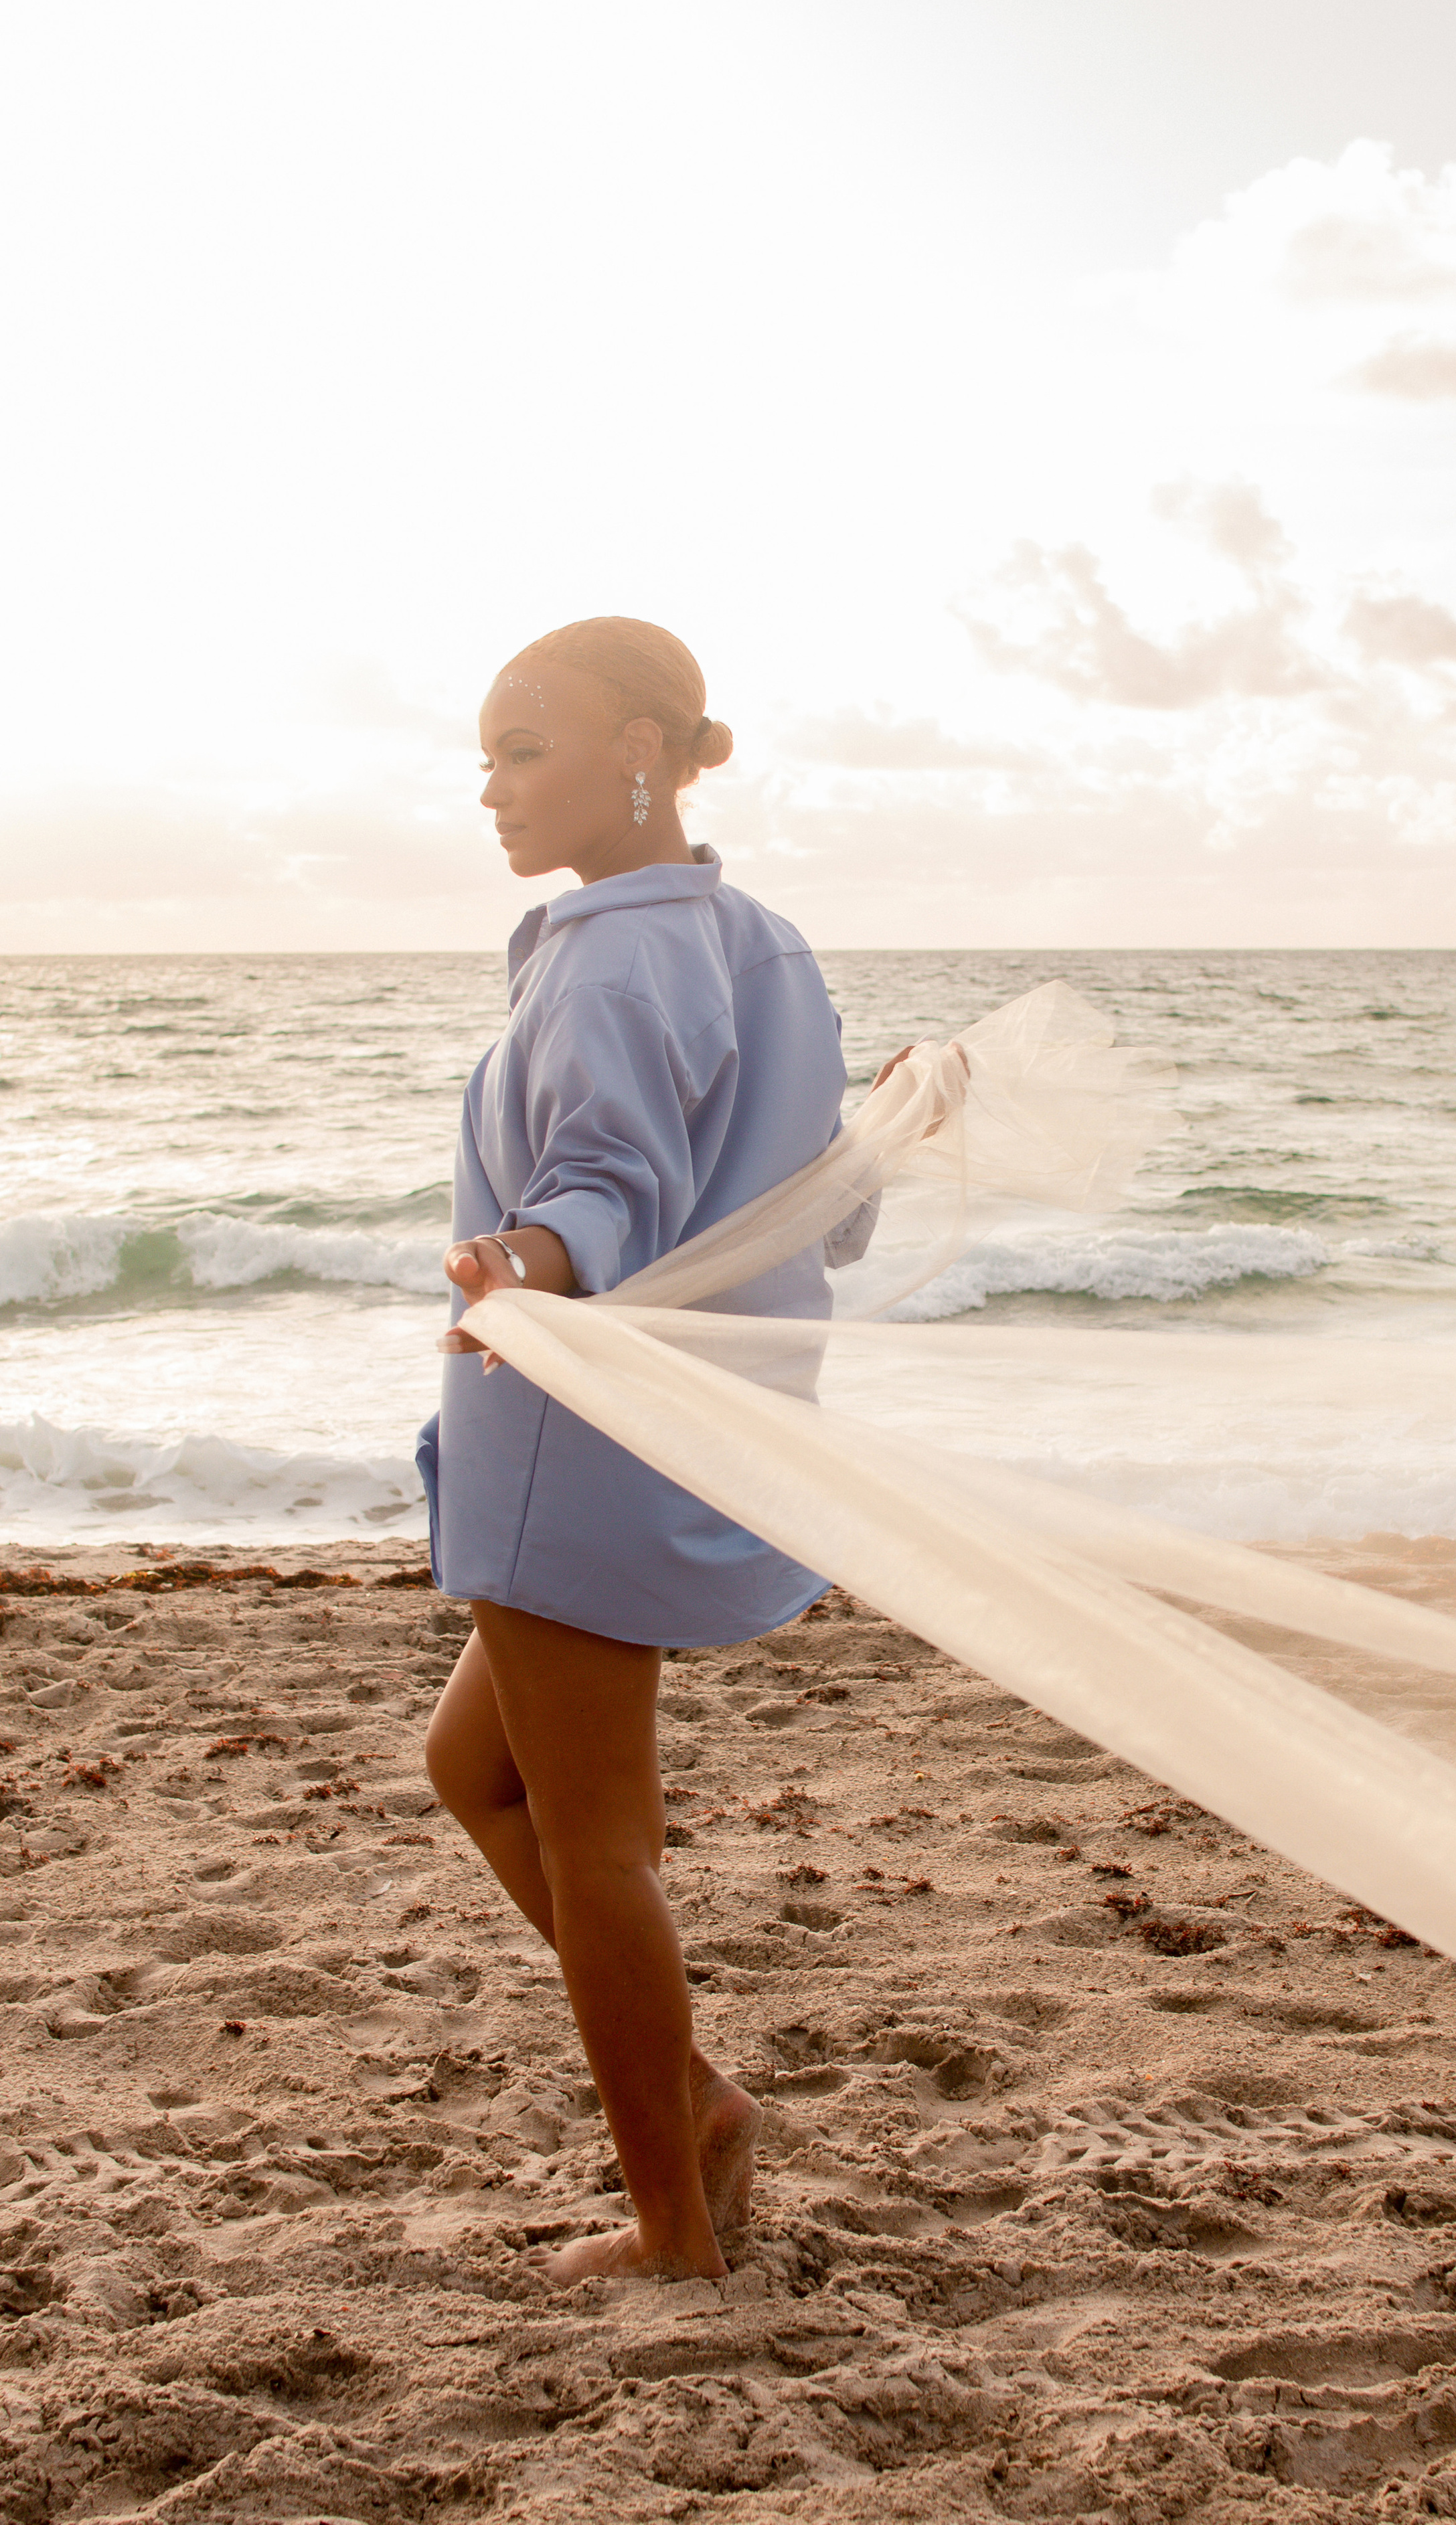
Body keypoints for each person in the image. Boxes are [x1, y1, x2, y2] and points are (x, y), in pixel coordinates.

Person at [418, 617, 898, 2284]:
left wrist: (527, 1266)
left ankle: (674, 2227)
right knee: (474, 1773)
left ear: (641, 746)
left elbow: (602, 1179)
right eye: (482, 754)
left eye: (520, 748)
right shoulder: (755, 941)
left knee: (598, 1834)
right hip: (668, 1421)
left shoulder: (612, 955)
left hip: (577, 1419)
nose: (489, 787)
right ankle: (688, 2105)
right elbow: (814, 1218)